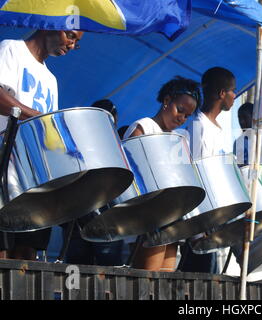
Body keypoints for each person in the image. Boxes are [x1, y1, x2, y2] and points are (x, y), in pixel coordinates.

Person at [0, 29, 83, 260]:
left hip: (33, 174)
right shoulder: (12, 49)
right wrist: (34, 116)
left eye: (76, 42)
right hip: (5, 166)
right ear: (51, 25)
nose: (71, 45)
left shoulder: (50, 80)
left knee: (28, 251)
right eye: (71, 36)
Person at [123, 76, 201, 271]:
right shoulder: (143, 127)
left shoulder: (178, 138)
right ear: (167, 101)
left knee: (164, 281)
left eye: (186, 116)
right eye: (180, 111)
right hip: (147, 215)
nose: (181, 118)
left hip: (171, 215)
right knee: (147, 280)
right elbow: (131, 169)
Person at [179, 67, 236, 274]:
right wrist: (197, 231)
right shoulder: (198, 126)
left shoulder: (217, 128)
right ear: (222, 93)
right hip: (200, 223)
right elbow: (196, 176)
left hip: (214, 218)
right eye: (233, 91)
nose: (234, 96)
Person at [61, 99, 124, 266]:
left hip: (107, 217)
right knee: (76, 269)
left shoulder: (116, 144)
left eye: (111, 120)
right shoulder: (73, 142)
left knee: (108, 269)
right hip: (76, 217)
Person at [233, 102, 262, 170]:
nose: (242, 121)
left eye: (245, 117)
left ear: (254, 118)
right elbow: (236, 168)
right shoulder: (237, 142)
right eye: (240, 118)